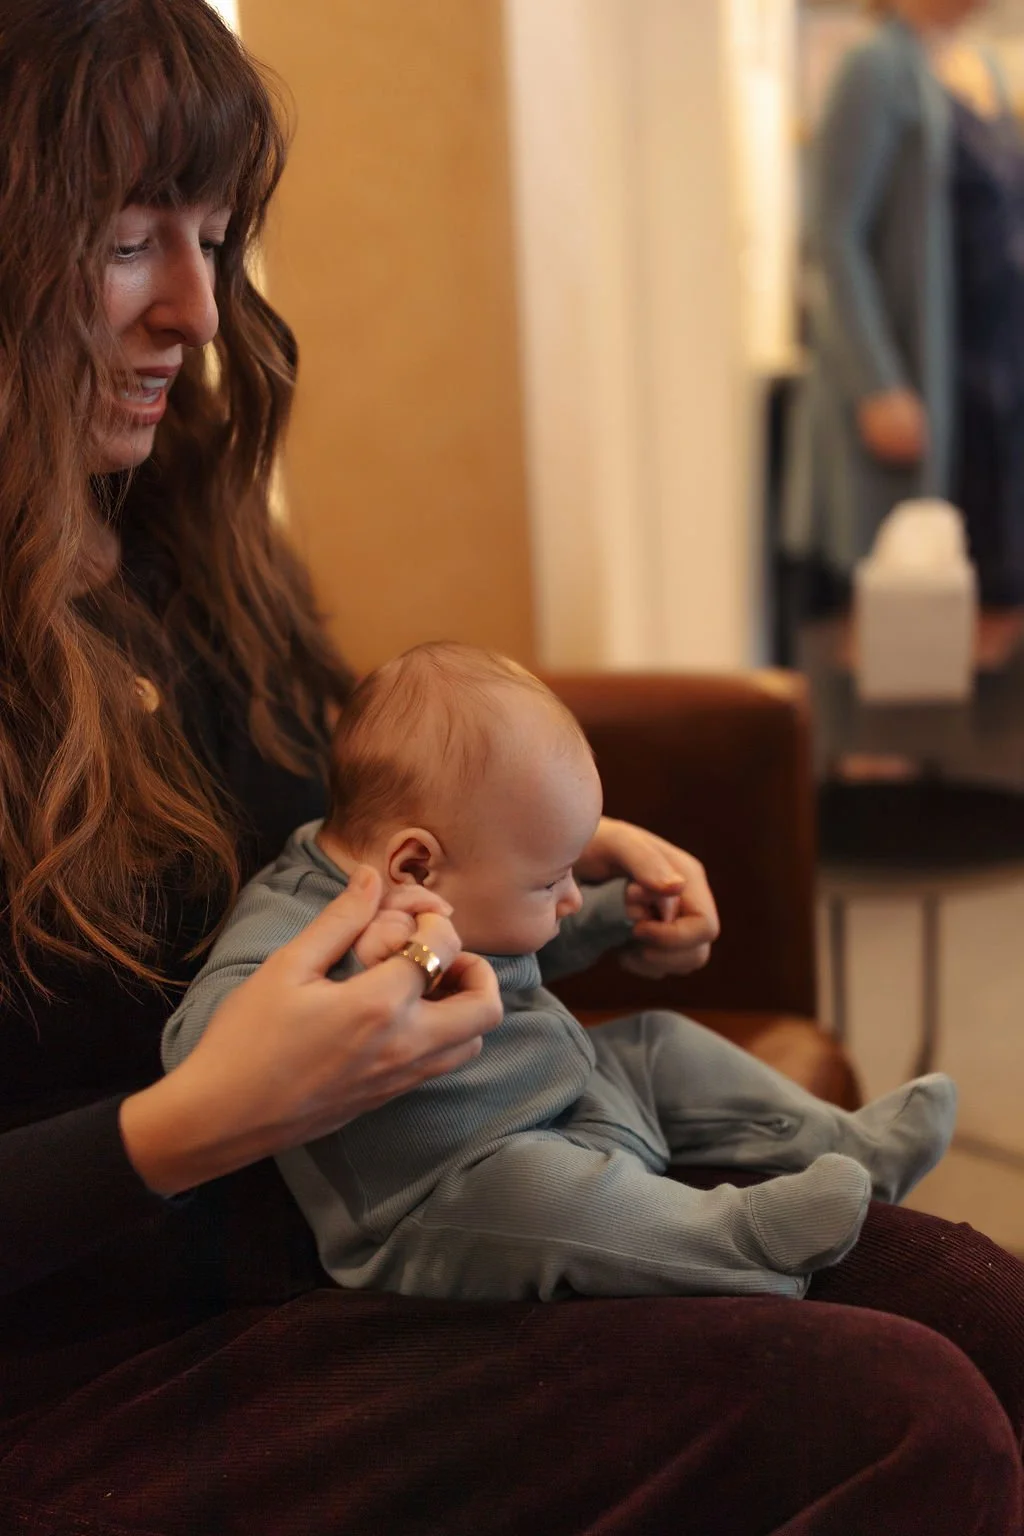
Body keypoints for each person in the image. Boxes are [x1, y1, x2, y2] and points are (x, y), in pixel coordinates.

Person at [2, 2, 1024, 1532]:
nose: (200, 313)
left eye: (211, 239)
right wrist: (188, 1122)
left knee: (977, 1308)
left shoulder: (184, 541)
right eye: (131, 241)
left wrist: (548, 845)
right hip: (100, 1365)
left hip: (359, 1209)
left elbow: (358, 821)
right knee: (898, 1414)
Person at [164, 642, 956, 1302]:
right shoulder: (294, 919)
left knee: (662, 1044)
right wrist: (338, 989)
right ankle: (742, 1243)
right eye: (552, 882)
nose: (572, 895)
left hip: (569, 1090)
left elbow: (512, 943)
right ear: (416, 864)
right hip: (456, 1191)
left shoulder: (444, 875)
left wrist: (617, 916)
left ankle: (853, 1145)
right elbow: (197, 1049)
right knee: (545, 1197)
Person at [784, 0, 1024, 608]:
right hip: (928, 381)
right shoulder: (875, 68)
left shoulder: (984, 69)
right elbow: (835, 236)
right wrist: (878, 382)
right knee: (907, 601)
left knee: (993, 594)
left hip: (995, 383)